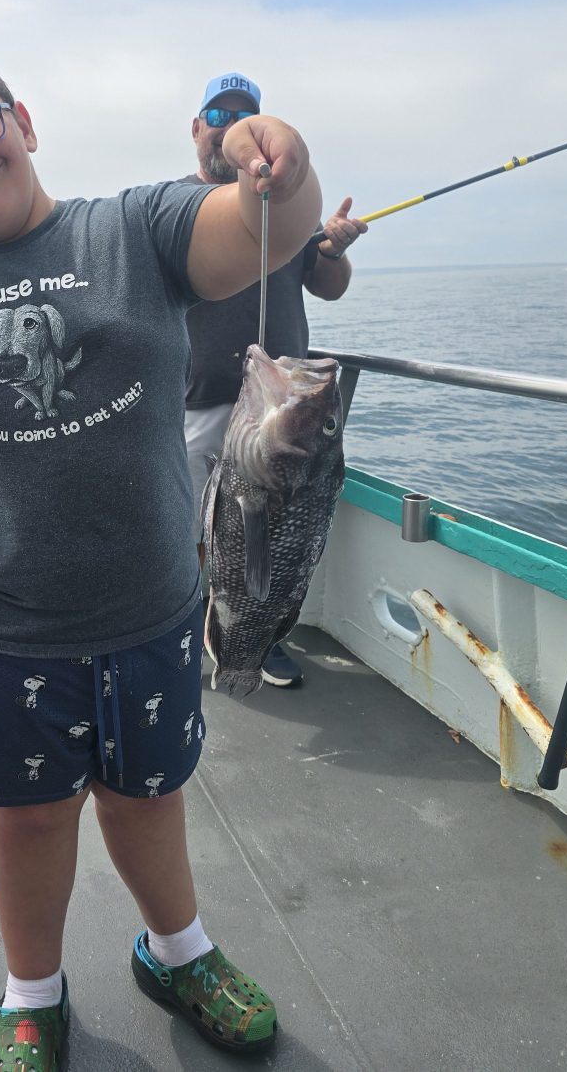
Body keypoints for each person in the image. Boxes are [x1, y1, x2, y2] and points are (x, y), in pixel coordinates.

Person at [0, 41, 323, 1071]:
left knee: (147, 796)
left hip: (148, 607)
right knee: (23, 818)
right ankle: (32, 991)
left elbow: (269, 228)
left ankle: (177, 949)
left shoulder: (128, 229)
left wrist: (274, 159)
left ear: (21, 119)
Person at [182, 72, 367, 687]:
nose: (229, 127)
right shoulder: (178, 206)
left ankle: (256, 636)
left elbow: (328, 286)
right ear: (197, 128)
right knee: (194, 524)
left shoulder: (286, 211)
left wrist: (332, 249)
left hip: (284, 406)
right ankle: (190, 628)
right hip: (196, 400)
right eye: (218, 114)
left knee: (278, 527)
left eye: (244, 115)